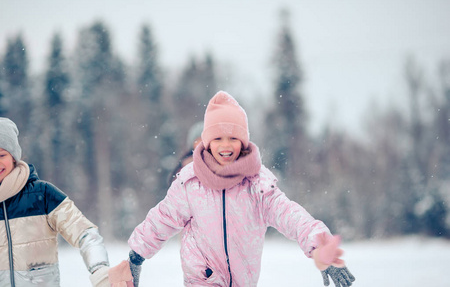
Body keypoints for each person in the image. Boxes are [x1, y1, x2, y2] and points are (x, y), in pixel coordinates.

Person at [109, 91, 355, 287]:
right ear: (207, 142)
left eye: (232, 138)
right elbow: (161, 220)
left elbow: (290, 215)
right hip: (201, 280)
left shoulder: (257, 183)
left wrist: (319, 244)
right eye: (217, 138)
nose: (225, 145)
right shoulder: (190, 182)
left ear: (243, 141)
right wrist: (135, 257)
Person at [0, 117, 110, 287]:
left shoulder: (43, 195)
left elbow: (85, 233)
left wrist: (100, 269)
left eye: (1, 155)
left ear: (14, 156)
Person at [167, 121, 204, 185]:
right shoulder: (185, 164)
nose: (201, 143)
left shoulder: (219, 161)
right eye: (198, 140)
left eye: (204, 139)